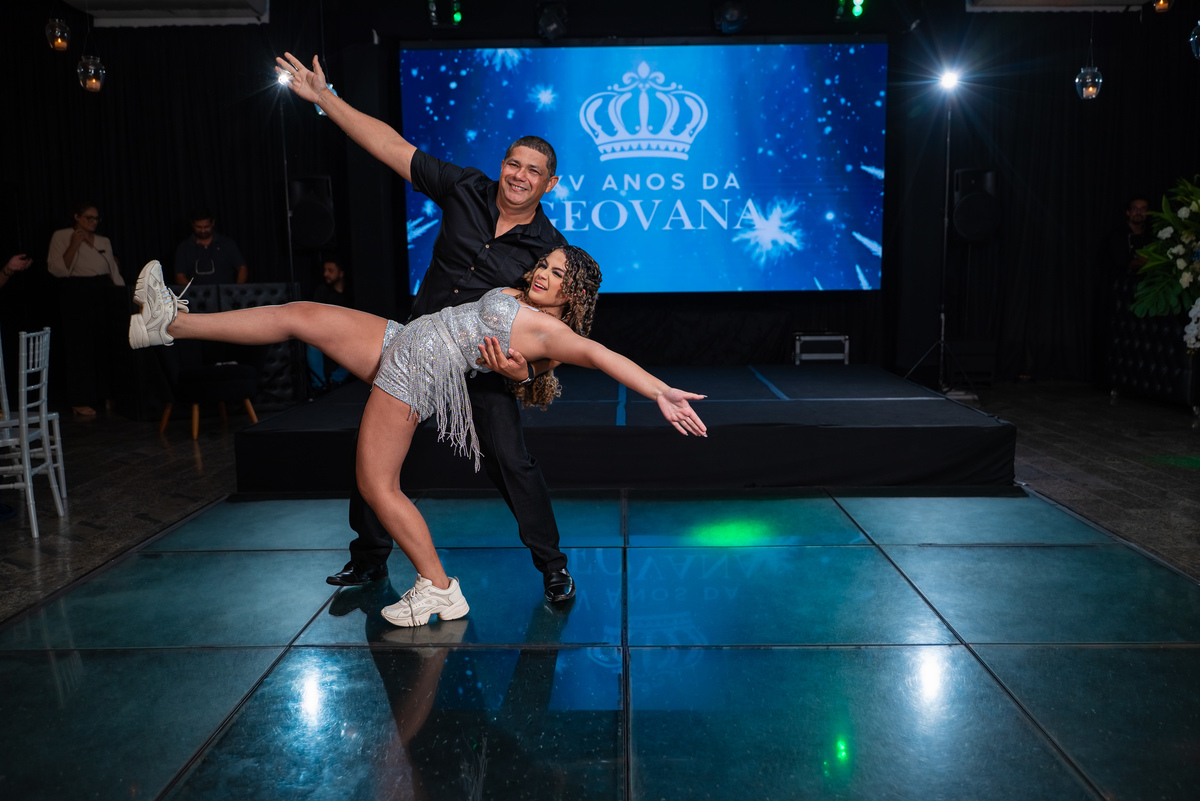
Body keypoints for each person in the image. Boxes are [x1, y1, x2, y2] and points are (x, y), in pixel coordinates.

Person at [128, 248, 705, 626]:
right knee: (300, 313)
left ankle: (438, 587)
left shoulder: (549, 331)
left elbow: (601, 354)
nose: (542, 274)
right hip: (403, 339)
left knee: (377, 485)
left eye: (557, 276)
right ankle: (170, 323)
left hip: (416, 371)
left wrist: (659, 391)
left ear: (571, 298)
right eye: (545, 265)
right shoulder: (518, 298)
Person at [277, 51, 578, 602]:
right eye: (514, 164)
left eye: (533, 171)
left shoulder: (549, 249)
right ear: (503, 164)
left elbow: (562, 334)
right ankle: (369, 558)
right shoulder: (465, 186)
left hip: (482, 366)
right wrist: (325, 98)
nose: (519, 176)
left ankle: (553, 567)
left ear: (550, 184)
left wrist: (525, 371)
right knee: (373, 451)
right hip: (418, 349)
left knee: (513, 461)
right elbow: (388, 145)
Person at [47, 201, 126, 417]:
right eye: (89, 218)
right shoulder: (61, 236)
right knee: (80, 348)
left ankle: (107, 394)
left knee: (105, 344)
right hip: (77, 292)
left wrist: (122, 293)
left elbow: (112, 270)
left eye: (96, 218)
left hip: (103, 291)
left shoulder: (103, 240)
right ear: (76, 217)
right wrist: (74, 243)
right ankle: (80, 399)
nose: (93, 222)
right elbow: (57, 269)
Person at [173, 208, 248, 286]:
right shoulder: (184, 247)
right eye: (199, 227)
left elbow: (242, 268)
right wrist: (194, 291)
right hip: (196, 293)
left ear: (212, 223)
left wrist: (237, 289)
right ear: (192, 224)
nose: (203, 230)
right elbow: (179, 276)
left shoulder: (227, 243)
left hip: (225, 292)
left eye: (206, 227)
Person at [308, 255, 352, 389]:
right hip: (326, 331)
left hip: (349, 332)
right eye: (325, 270)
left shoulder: (351, 291)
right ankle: (320, 385)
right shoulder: (322, 291)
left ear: (341, 273)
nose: (325, 274)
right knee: (311, 344)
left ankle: (336, 380)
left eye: (330, 270)